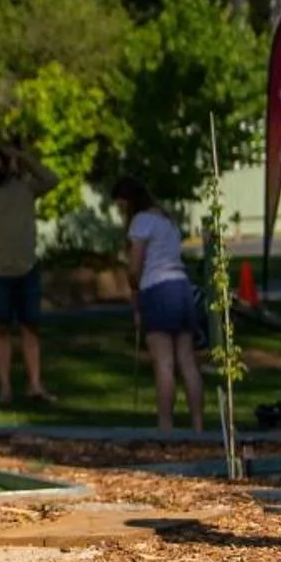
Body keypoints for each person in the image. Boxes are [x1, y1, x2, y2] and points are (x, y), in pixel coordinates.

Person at [0, 144, 58, 407]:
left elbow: (51, 179)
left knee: (30, 328)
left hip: (27, 268)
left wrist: (24, 158)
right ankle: (5, 388)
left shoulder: (26, 189)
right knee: (1, 329)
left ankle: (35, 385)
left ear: (6, 166)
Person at [113, 177, 202, 431]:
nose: (121, 212)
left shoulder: (141, 221)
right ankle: (198, 425)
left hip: (157, 289)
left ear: (129, 202)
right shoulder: (167, 220)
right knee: (186, 360)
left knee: (163, 362)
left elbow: (135, 266)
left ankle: (166, 425)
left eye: (121, 207)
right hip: (181, 287)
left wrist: (133, 289)